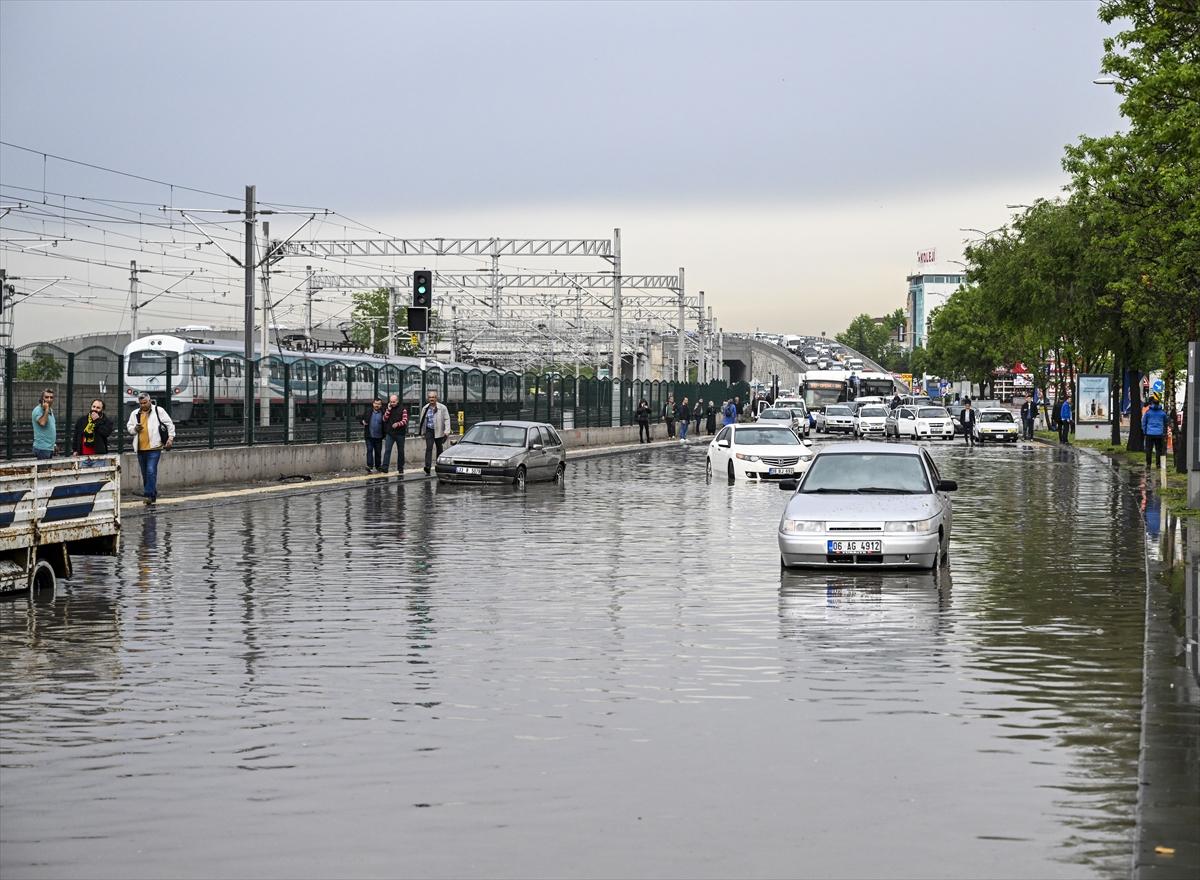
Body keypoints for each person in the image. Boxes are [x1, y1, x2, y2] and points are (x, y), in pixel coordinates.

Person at [126, 392, 175, 505]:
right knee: (145, 473)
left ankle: (147, 494)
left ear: (150, 401)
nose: (143, 405)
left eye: (145, 402)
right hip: (140, 448)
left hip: (154, 447)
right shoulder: (135, 413)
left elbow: (170, 424)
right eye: (141, 403)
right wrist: (135, 429)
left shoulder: (159, 410)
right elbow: (129, 428)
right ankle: (152, 494)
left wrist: (170, 438)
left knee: (151, 471)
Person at [418, 390, 451, 475]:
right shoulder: (425, 408)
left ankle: (439, 465)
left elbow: (447, 419)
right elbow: (422, 421)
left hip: (439, 430)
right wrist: (422, 432)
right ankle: (427, 467)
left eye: (433, 397)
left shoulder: (442, 408)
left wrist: (447, 431)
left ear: (436, 398)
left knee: (439, 448)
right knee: (429, 448)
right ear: (428, 398)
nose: (431, 399)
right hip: (429, 430)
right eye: (430, 397)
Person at [379, 394, 409, 474]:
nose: (392, 403)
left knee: (400, 451)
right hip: (390, 433)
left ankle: (400, 468)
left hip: (400, 434)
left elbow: (405, 420)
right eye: (391, 402)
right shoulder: (388, 408)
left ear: (397, 401)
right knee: (387, 450)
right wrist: (388, 409)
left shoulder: (403, 409)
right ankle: (385, 468)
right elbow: (384, 419)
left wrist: (398, 424)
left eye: (394, 402)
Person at [360, 397, 385, 472]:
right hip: (369, 436)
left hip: (379, 436)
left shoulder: (383, 412)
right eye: (376, 403)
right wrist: (362, 422)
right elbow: (360, 419)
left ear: (381, 405)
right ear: (373, 404)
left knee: (378, 452)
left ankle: (378, 466)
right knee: (369, 450)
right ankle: (369, 466)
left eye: (379, 404)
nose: (377, 405)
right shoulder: (368, 411)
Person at [1142, 394, 1168, 468]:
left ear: (1152, 403)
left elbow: (1144, 422)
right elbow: (1166, 422)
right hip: (1159, 434)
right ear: (1159, 404)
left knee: (1148, 450)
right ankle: (1158, 464)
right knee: (1158, 450)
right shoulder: (1162, 413)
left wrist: (1145, 431)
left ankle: (1148, 464)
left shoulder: (1148, 412)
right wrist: (1164, 432)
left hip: (1149, 433)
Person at [31, 388, 57, 460]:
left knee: (48, 470)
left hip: (49, 448)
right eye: (46, 397)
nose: (49, 399)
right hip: (42, 448)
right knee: (43, 470)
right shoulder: (38, 410)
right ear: (42, 399)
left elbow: (50, 428)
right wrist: (46, 409)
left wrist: (54, 444)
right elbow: (42, 423)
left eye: (51, 397)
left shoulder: (50, 410)